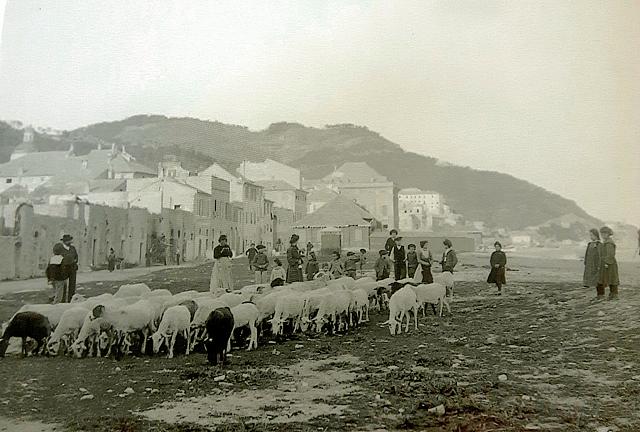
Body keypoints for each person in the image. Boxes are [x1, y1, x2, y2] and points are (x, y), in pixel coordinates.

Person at [53, 234, 78, 302]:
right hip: (63, 268)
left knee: (72, 284)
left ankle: (71, 299)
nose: (70, 242)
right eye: (68, 241)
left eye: (70, 240)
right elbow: (56, 256)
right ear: (64, 241)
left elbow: (76, 256)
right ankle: (62, 300)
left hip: (72, 267)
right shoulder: (59, 248)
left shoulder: (73, 248)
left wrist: (75, 261)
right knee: (63, 284)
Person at [597, 226, 619, 300]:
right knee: (609, 278)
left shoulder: (609, 243)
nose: (603, 235)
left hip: (610, 263)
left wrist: (607, 263)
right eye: (602, 234)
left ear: (608, 234)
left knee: (612, 278)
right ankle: (610, 294)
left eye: (604, 233)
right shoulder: (606, 242)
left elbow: (610, 254)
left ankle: (614, 294)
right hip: (606, 262)